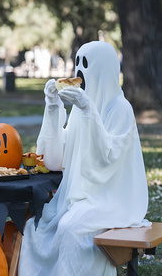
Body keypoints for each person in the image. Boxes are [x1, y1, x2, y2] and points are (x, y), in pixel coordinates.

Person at [19, 41, 150, 276]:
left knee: (70, 230)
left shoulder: (120, 108)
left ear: (103, 68)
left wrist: (89, 110)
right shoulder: (81, 108)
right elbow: (55, 160)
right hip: (78, 196)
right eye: (77, 63)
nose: (80, 71)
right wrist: (52, 108)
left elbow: (107, 159)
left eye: (86, 64)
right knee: (34, 227)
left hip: (112, 198)